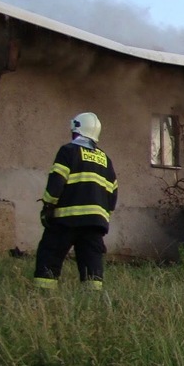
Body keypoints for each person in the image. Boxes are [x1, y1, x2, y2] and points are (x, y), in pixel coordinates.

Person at [33, 112, 118, 290]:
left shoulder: (68, 151)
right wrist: (102, 216)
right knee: (92, 263)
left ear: (77, 130)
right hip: (95, 223)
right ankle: (92, 299)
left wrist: (48, 206)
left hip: (66, 219)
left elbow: (56, 181)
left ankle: (43, 294)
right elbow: (112, 195)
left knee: (50, 254)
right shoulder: (106, 160)